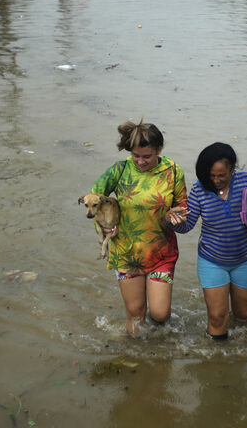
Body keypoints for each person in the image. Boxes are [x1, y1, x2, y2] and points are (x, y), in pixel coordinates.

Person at [165, 143, 247, 340]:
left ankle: (242, 351)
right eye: (211, 175)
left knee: (243, 316)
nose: (215, 180)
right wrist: (170, 219)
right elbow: (187, 226)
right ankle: (217, 361)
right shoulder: (199, 190)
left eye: (221, 175)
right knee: (217, 317)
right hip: (212, 261)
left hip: (246, 259)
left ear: (232, 169)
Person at [91, 120, 186, 335]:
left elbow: (183, 205)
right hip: (126, 252)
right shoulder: (120, 169)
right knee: (135, 314)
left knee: (160, 314)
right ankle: (135, 360)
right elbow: (93, 199)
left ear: (159, 149)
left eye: (147, 156)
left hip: (162, 252)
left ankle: (161, 345)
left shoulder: (172, 170)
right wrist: (105, 228)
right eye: (136, 156)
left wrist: (175, 216)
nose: (140, 162)